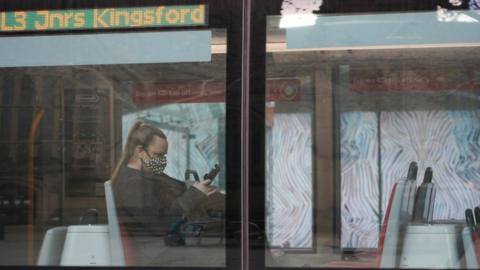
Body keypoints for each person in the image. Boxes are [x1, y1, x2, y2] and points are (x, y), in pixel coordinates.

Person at [111, 121, 218, 266]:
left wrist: (193, 187)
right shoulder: (133, 183)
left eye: (164, 156)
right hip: (155, 249)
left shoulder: (146, 174)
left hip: (166, 242)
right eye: (157, 155)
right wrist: (194, 194)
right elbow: (159, 224)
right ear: (139, 151)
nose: (162, 161)